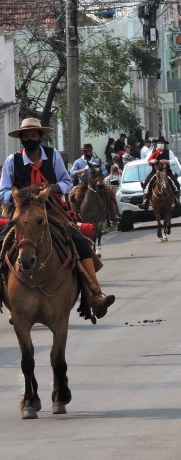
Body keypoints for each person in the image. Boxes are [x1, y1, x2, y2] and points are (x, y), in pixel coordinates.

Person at [0, 118, 114, 317]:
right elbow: (3, 192)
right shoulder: (12, 161)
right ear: (21, 139)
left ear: (40, 137)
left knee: (79, 241)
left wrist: (53, 187)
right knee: (1, 242)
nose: (30, 139)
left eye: (34, 135)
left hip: (51, 210)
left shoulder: (53, 156)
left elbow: (67, 182)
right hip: (22, 213)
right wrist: (26, 192)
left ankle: (94, 294)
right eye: (26, 136)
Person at [138, 137, 181, 209]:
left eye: (162, 143)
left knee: (176, 183)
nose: (160, 144)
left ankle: (177, 201)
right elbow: (146, 161)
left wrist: (165, 161)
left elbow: (174, 161)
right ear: (156, 144)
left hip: (166, 171)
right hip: (155, 172)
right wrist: (152, 161)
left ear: (164, 144)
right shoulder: (152, 152)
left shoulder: (169, 151)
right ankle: (145, 201)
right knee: (146, 183)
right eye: (159, 143)